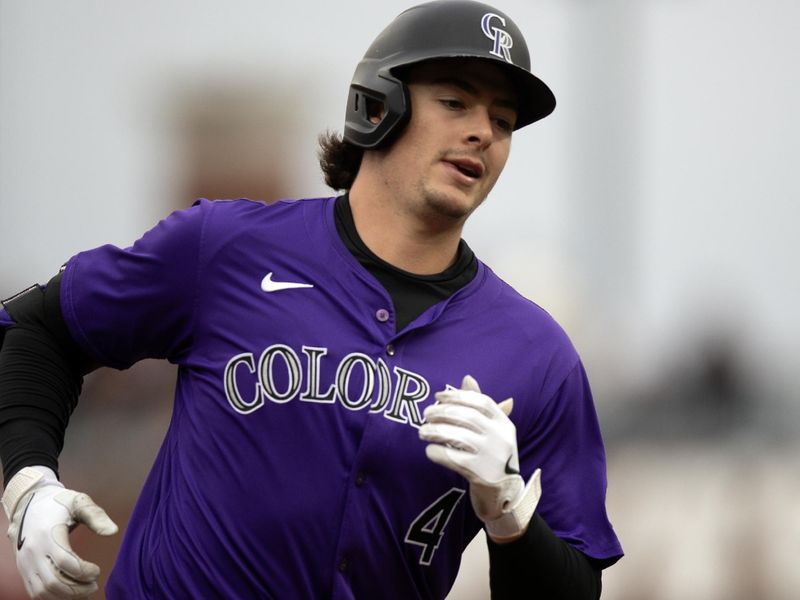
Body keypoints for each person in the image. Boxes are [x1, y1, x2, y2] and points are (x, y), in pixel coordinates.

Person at [0, 1, 623, 598]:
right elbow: (34, 331)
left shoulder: (538, 356)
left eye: (504, 121)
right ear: (380, 105)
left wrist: (511, 518)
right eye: (456, 100)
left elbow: (576, 582)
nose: (482, 132)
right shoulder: (226, 248)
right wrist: (28, 484)